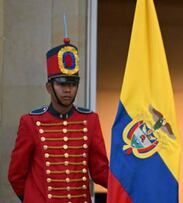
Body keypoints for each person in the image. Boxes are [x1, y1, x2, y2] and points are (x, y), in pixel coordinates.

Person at [8, 37, 109, 202]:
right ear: (49, 87)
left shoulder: (90, 120)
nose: (68, 90)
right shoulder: (31, 122)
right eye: (62, 84)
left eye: (73, 84)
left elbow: (100, 171)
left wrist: (131, 185)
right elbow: (16, 175)